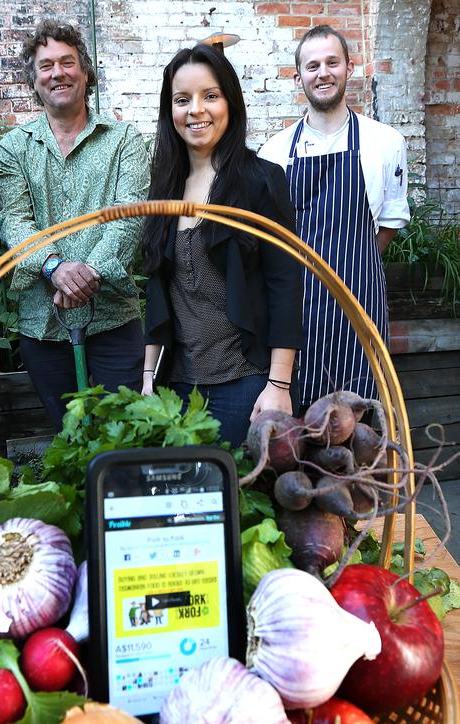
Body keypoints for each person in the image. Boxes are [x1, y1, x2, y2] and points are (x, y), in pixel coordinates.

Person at [142, 43, 303, 445]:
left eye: (210, 96)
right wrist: (148, 379)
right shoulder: (164, 190)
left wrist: (278, 386)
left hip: (246, 386)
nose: (196, 109)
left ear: (230, 102)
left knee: (243, 502)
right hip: (176, 391)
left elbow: (285, 285)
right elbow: (158, 293)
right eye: (183, 99)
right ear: (170, 112)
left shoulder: (261, 180)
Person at [0, 19, 150, 431]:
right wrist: (55, 268)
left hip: (113, 317)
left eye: (67, 62)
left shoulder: (124, 140)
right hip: (44, 323)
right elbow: (13, 218)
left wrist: (89, 274)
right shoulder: (14, 148)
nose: (57, 73)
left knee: (125, 430)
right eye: (46, 66)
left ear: (85, 71)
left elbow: (129, 213)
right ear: (34, 79)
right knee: (68, 435)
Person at [259, 25, 410, 412]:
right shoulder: (274, 151)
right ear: (299, 77)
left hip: (360, 304)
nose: (322, 73)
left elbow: (390, 222)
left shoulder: (385, 142)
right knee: (295, 427)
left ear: (349, 68)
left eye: (332, 63)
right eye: (312, 66)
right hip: (297, 306)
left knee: (359, 420)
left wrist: (352, 262)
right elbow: (268, 237)